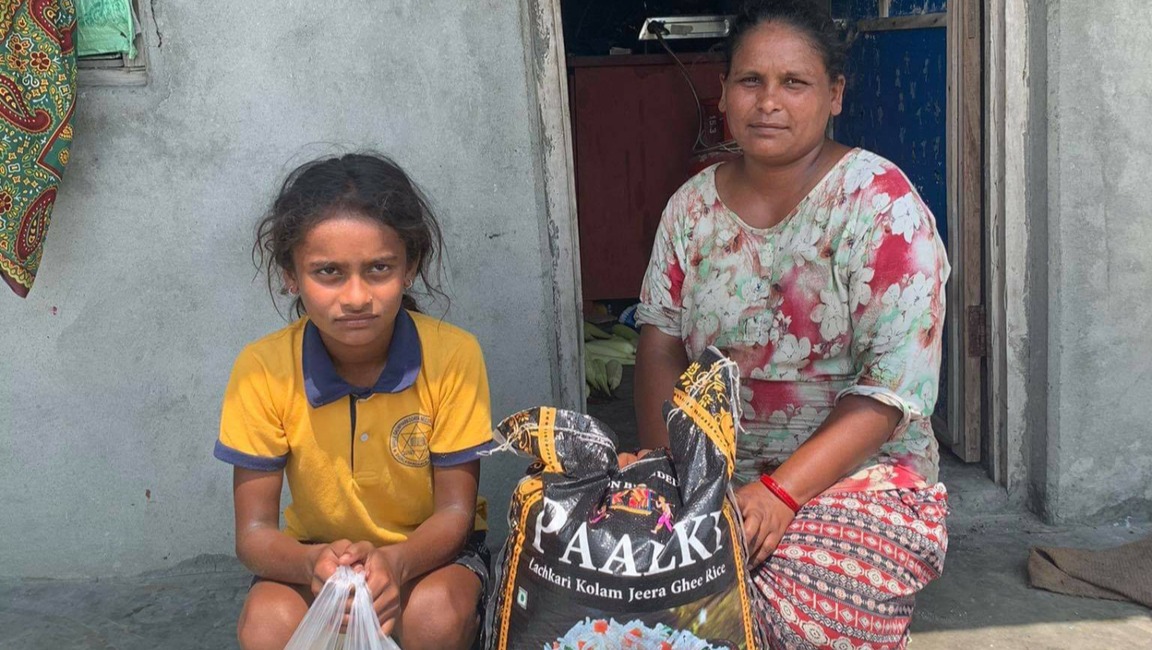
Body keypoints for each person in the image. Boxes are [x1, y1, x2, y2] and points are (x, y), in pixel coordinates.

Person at [631, 1, 950, 647]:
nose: (769, 101)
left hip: (855, 479)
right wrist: (672, 475)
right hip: (715, 475)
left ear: (835, 95)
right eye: (751, 80)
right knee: (604, 578)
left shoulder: (880, 204)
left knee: (779, 615)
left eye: (794, 82)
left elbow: (888, 391)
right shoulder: (690, 208)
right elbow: (660, 346)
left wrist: (779, 494)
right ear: (724, 90)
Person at [214, 153, 494, 650]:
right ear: (291, 275)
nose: (357, 296)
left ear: (410, 267)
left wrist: (397, 564)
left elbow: (456, 512)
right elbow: (254, 532)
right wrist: (311, 564)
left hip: (427, 557)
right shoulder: (262, 369)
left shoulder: (453, 356)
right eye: (329, 272)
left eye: (379, 268)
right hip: (315, 558)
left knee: (434, 617)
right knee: (266, 625)